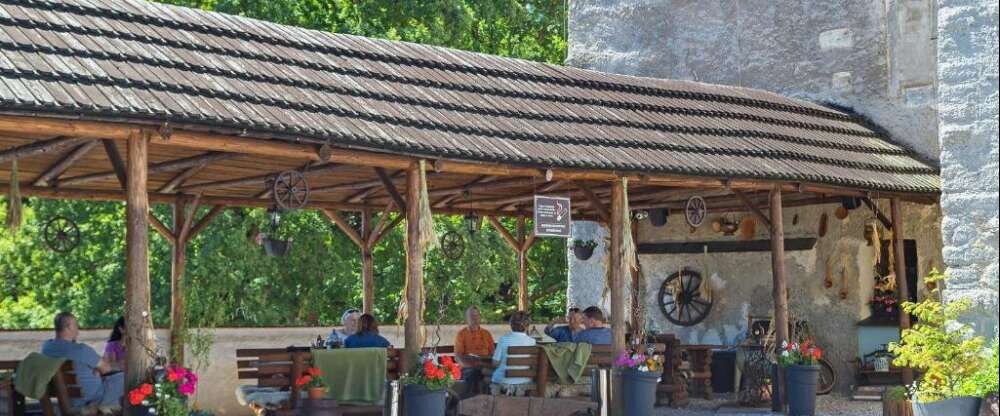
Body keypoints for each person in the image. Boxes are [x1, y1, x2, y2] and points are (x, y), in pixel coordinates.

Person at [40, 312, 124, 407]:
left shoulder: (46, 347)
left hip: (63, 398)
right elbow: (106, 369)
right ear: (69, 327)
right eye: (76, 324)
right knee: (127, 378)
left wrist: (97, 369)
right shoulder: (80, 349)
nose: (78, 328)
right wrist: (100, 368)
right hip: (91, 400)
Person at [490, 311, 536, 395]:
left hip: (503, 381)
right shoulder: (532, 341)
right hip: (524, 381)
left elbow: (495, 363)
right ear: (527, 325)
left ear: (511, 325)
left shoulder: (503, 339)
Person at [454, 306, 495, 396]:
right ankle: (466, 401)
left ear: (479, 317)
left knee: (495, 374)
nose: (474, 318)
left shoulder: (486, 333)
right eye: (472, 316)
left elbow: (493, 353)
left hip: (485, 366)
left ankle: (488, 402)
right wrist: (469, 365)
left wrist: (487, 362)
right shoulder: (462, 334)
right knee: (473, 373)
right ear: (467, 319)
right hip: (468, 367)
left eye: (476, 316)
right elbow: (458, 357)